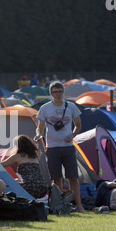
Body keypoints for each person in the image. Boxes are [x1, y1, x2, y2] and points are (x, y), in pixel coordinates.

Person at [35, 81, 85, 212]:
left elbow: (78, 125)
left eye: (60, 92)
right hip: (52, 147)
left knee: (73, 177)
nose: (58, 95)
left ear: (63, 93)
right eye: (55, 92)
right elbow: (39, 127)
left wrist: (73, 135)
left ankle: (79, 206)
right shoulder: (45, 108)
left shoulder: (71, 107)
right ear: (50, 94)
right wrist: (39, 135)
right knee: (56, 178)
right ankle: (58, 206)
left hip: (68, 146)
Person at [1, 135, 49, 200]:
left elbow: (1, 165)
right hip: (42, 187)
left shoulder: (17, 156)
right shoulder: (34, 156)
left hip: (29, 187)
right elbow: (32, 175)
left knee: (8, 187)